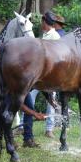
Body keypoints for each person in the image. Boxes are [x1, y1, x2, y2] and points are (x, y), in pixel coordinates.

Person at [29, 11, 61, 139]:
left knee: (51, 102)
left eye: (42, 22)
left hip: (49, 76)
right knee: (29, 98)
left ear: (44, 22)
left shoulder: (55, 37)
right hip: (38, 75)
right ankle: (23, 126)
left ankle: (49, 129)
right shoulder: (44, 35)